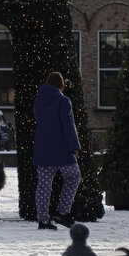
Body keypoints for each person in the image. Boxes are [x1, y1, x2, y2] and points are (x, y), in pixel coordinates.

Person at [33, 70, 82, 230]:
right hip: (61, 147)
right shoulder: (63, 101)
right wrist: (75, 146)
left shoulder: (39, 101)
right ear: (61, 85)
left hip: (43, 147)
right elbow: (68, 124)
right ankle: (62, 212)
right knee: (74, 176)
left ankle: (43, 220)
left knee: (44, 184)